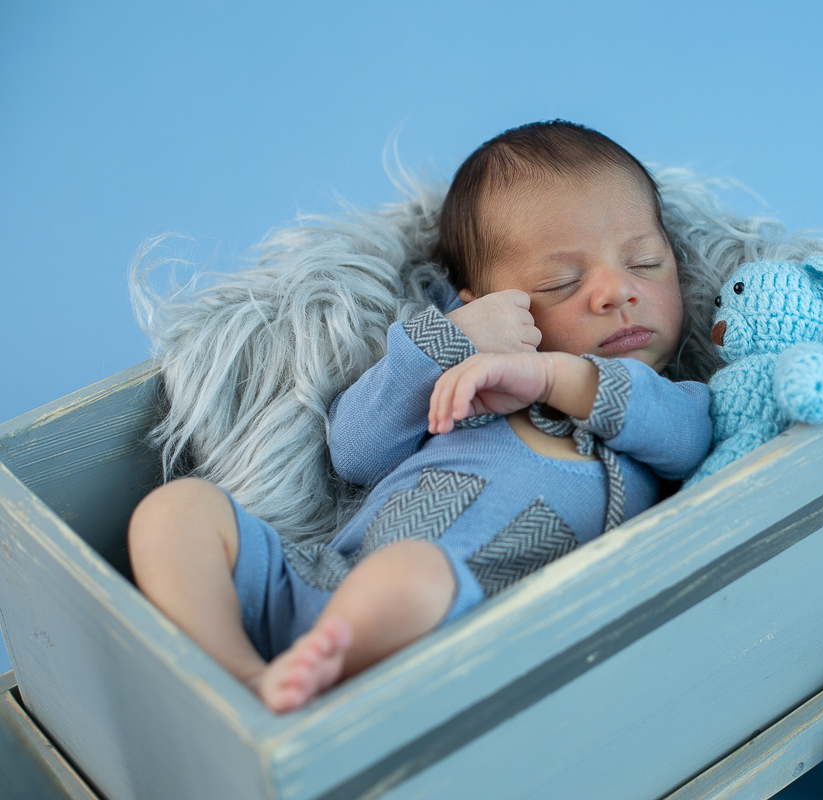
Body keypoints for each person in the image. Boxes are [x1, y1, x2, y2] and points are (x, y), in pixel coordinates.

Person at [127, 121, 712, 713]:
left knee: (414, 572)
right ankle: (242, 675)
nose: (617, 291)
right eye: (562, 282)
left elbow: (687, 440)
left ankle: (317, 692)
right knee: (177, 509)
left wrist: (548, 376)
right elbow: (354, 452)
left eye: (645, 262)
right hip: (322, 584)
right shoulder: (462, 386)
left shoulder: (675, 403)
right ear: (484, 304)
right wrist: (447, 343)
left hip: (452, 628)